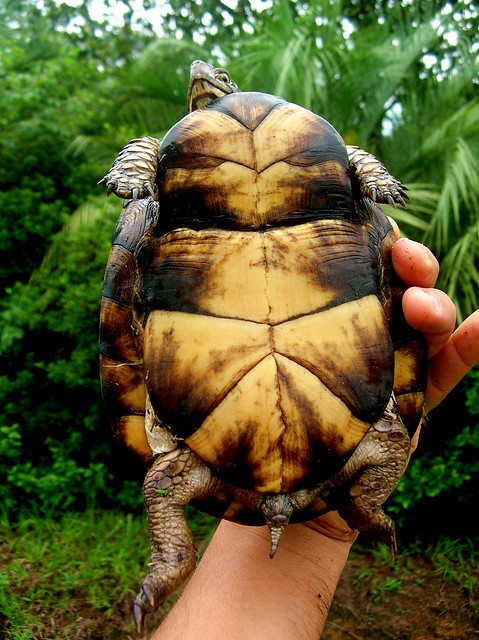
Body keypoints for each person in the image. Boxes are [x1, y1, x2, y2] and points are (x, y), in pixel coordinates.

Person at [151, 237, 479, 640]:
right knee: (387, 435)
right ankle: (175, 554)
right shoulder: (373, 439)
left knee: (162, 486)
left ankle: (173, 555)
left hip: (221, 454)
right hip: (340, 449)